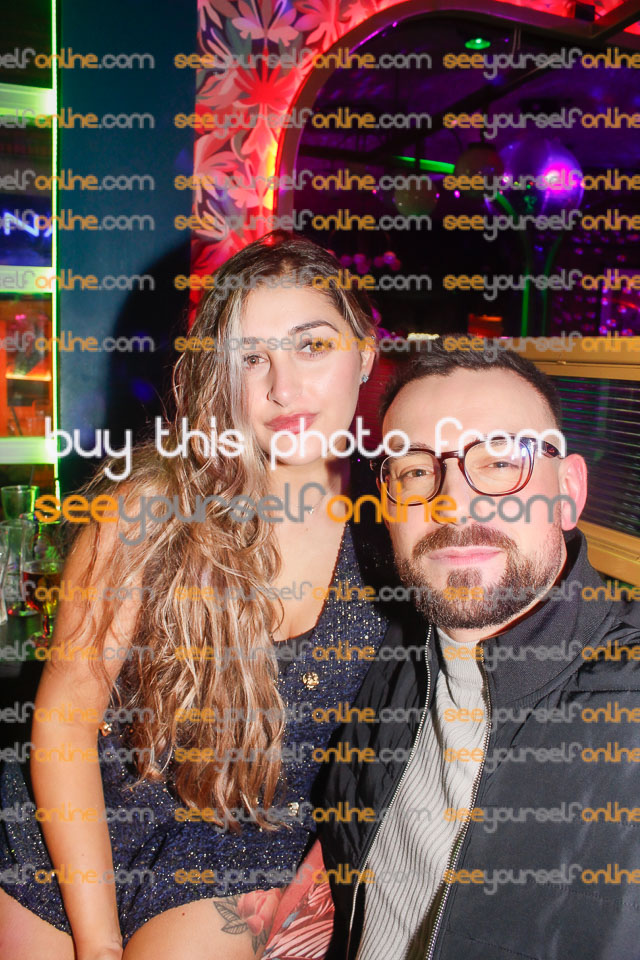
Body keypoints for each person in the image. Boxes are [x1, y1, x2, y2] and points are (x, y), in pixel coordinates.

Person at [0, 232, 398, 960]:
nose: (282, 388)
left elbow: (405, 746)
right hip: (75, 821)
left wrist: (325, 871)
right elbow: (63, 727)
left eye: (312, 346)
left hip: (242, 846)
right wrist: (98, 944)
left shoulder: (401, 531)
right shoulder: (146, 511)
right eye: (251, 357)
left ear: (365, 352)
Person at [316, 340, 640, 960]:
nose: (453, 504)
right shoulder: (390, 654)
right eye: (416, 470)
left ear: (568, 491)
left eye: (499, 462)